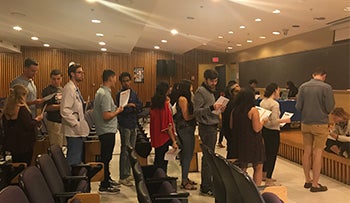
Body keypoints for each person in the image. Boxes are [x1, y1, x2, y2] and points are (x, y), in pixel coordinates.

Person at [295, 68, 335, 192]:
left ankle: (307, 180)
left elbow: (298, 106)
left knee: (307, 152)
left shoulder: (302, 87)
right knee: (318, 153)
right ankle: (315, 184)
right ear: (324, 76)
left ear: (313, 75)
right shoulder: (326, 87)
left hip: (305, 123)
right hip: (320, 124)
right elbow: (330, 107)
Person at [194, 69, 224, 196]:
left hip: (212, 125)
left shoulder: (210, 92)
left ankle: (208, 183)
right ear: (205, 79)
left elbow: (210, 109)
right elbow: (197, 111)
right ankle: (206, 185)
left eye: (216, 81)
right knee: (208, 157)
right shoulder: (200, 91)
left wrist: (218, 109)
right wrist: (212, 108)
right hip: (206, 127)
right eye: (212, 81)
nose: (214, 83)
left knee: (210, 157)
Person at [94, 69, 123, 194]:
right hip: (106, 130)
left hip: (105, 130)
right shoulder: (104, 94)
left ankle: (107, 178)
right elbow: (106, 115)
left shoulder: (102, 92)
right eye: (115, 78)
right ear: (111, 78)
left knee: (107, 157)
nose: (116, 80)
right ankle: (104, 184)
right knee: (106, 157)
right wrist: (118, 111)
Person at [231, 88, 266, 186]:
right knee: (258, 166)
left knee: (242, 166)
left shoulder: (235, 110)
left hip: (240, 141)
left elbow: (231, 126)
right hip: (253, 142)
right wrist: (263, 121)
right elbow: (257, 128)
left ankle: (241, 189)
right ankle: (256, 192)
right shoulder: (253, 110)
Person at [2, 85, 43, 165]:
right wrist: (37, 120)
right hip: (24, 144)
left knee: (16, 164)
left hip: (12, 143)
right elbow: (28, 125)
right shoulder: (22, 109)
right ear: (23, 95)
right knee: (25, 164)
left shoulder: (7, 108)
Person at [260, 83, 291, 186]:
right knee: (272, 155)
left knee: (266, 153)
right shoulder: (274, 104)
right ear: (274, 91)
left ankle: (264, 174)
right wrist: (285, 120)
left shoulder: (263, 102)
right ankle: (268, 178)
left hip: (265, 130)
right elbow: (274, 121)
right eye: (278, 90)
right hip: (273, 131)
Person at [115, 72, 142, 187]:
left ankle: (128, 172)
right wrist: (131, 107)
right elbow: (123, 110)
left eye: (128, 80)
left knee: (132, 151)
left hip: (133, 124)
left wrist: (133, 106)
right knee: (125, 151)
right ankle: (123, 176)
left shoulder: (134, 93)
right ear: (121, 82)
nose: (127, 83)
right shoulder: (120, 94)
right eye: (124, 81)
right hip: (124, 124)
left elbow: (140, 106)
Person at [60, 62, 89, 166]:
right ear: (72, 74)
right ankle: (71, 180)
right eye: (79, 72)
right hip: (73, 130)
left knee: (76, 158)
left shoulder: (75, 88)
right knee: (73, 160)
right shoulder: (68, 89)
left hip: (77, 130)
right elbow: (64, 110)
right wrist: (76, 124)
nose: (82, 75)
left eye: (82, 72)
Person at [173, 80, 197, 190]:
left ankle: (186, 177)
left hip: (187, 128)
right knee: (187, 154)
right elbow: (186, 116)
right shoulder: (182, 99)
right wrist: (197, 115)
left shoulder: (187, 99)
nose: (192, 90)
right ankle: (184, 180)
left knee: (188, 153)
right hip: (185, 128)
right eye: (191, 88)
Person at [150, 82, 178, 174]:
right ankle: (162, 181)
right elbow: (168, 126)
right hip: (164, 137)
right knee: (163, 162)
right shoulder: (164, 105)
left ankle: (157, 178)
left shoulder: (154, 104)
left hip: (156, 136)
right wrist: (173, 141)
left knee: (158, 160)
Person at [42, 69, 65, 147]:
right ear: (50, 79)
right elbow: (46, 108)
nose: (56, 81)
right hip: (54, 122)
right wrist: (61, 106)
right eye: (54, 79)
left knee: (64, 146)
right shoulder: (47, 91)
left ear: (61, 79)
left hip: (64, 121)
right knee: (57, 147)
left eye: (58, 79)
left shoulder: (63, 90)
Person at [218, 80, 240, 148]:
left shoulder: (236, 101)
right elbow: (218, 111)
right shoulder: (225, 100)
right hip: (228, 126)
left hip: (231, 127)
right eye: (236, 91)